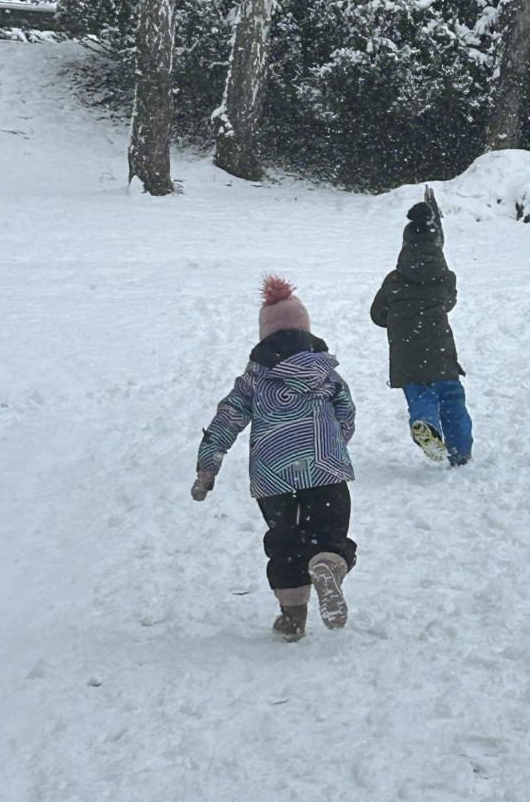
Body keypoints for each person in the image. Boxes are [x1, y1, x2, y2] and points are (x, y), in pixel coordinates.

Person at [190, 276, 357, 642]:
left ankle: (292, 616)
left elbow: (227, 418)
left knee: (285, 541)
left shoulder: (253, 379)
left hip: (273, 476)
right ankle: (328, 562)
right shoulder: (325, 372)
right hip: (324, 467)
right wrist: (335, 445)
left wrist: (208, 465)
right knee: (329, 529)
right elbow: (345, 413)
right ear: (306, 329)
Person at [370, 190, 472, 466]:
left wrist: (398, 316)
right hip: (440, 350)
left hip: (407, 354)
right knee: (452, 399)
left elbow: (377, 314)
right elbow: (448, 303)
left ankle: (425, 424)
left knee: (420, 395)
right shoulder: (445, 278)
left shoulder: (394, 280)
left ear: (405, 245)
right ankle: (460, 452)